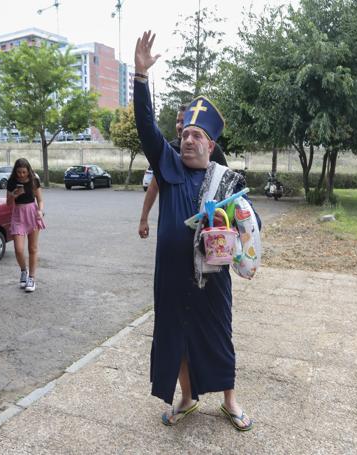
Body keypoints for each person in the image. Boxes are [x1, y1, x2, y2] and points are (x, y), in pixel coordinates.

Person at [133, 30, 254, 431]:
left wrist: (232, 236)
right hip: (170, 277)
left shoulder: (229, 181)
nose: (187, 139)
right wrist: (140, 77)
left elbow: (250, 227)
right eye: (184, 133)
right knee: (178, 337)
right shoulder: (167, 166)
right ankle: (186, 399)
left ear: (211, 143)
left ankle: (230, 403)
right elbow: (147, 127)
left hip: (212, 278)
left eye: (195, 135)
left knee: (218, 334)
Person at [138, 104, 227, 239]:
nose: (179, 126)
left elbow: (224, 183)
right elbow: (154, 185)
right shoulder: (168, 150)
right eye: (177, 121)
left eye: (183, 121)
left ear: (210, 147)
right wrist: (144, 218)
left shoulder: (214, 152)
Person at [6, 158, 45, 292]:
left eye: (24, 172)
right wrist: (14, 195)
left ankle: (32, 278)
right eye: (19, 172)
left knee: (32, 249)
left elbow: (40, 200)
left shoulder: (34, 181)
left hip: (32, 215)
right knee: (18, 249)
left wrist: (40, 211)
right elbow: (8, 204)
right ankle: (24, 271)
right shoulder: (11, 182)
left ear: (28, 171)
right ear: (15, 172)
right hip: (18, 216)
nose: (21, 175)